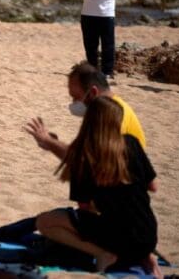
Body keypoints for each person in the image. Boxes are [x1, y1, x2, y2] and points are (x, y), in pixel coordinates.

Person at [35, 97, 160, 276]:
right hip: (149, 235)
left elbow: (85, 208)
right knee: (129, 221)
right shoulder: (131, 142)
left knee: (45, 221)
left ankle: (102, 254)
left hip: (121, 238)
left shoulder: (84, 153)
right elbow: (153, 186)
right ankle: (144, 255)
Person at [24, 61, 146, 161]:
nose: (73, 103)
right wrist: (53, 143)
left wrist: (49, 142)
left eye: (76, 97)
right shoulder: (114, 107)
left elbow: (83, 160)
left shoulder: (108, 115)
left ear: (93, 92)